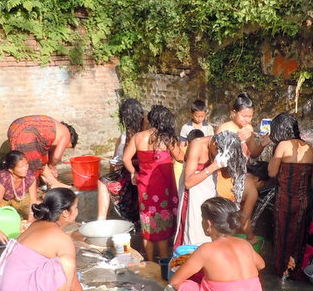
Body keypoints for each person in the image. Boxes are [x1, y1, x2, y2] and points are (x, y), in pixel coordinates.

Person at [0, 188, 94, 291]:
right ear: (65, 213)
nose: (77, 211)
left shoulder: (36, 225)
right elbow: (72, 281)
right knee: (67, 264)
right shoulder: (61, 238)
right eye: (75, 208)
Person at [123, 105, 183, 262]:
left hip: (145, 186)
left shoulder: (138, 137)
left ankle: (149, 261)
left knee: (147, 223)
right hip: (163, 187)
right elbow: (180, 157)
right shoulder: (167, 138)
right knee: (162, 224)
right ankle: (164, 261)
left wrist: (134, 173)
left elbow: (125, 159)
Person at [174, 131, 244, 247]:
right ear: (214, 144)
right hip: (193, 194)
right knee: (193, 228)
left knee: (211, 226)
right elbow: (188, 182)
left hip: (210, 191)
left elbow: (228, 175)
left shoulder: (225, 147)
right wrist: (213, 166)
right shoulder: (197, 145)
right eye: (219, 153)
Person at [216, 93, 269, 243]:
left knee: (237, 214)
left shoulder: (249, 128)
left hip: (242, 178)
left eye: (250, 116)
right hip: (225, 176)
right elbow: (219, 157)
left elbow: (253, 154)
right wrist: (237, 140)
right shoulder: (223, 129)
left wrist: (262, 145)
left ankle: (233, 242)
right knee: (225, 216)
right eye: (244, 116)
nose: (247, 120)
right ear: (234, 112)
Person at [267, 113, 313, 280]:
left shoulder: (283, 145)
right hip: (305, 201)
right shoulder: (309, 147)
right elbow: (311, 178)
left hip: (286, 200)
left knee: (282, 238)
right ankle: (295, 273)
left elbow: (272, 172)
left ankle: (282, 274)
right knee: (299, 238)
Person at [96, 99, 144, 222]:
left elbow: (145, 159)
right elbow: (118, 157)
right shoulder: (127, 134)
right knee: (103, 181)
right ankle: (101, 221)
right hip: (129, 171)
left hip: (138, 173)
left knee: (103, 182)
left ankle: (101, 220)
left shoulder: (140, 133)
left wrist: (126, 163)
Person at [7, 115, 78, 188]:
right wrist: (52, 166)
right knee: (36, 162)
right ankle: (53, 183)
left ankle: (49, 181)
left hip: (14, 127)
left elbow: (45, 155)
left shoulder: (56, 127)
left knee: (30, 161)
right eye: (65, 147)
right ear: (70, 140)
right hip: (26, 132)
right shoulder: (66, 133)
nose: (63, 148)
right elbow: (56, 157)